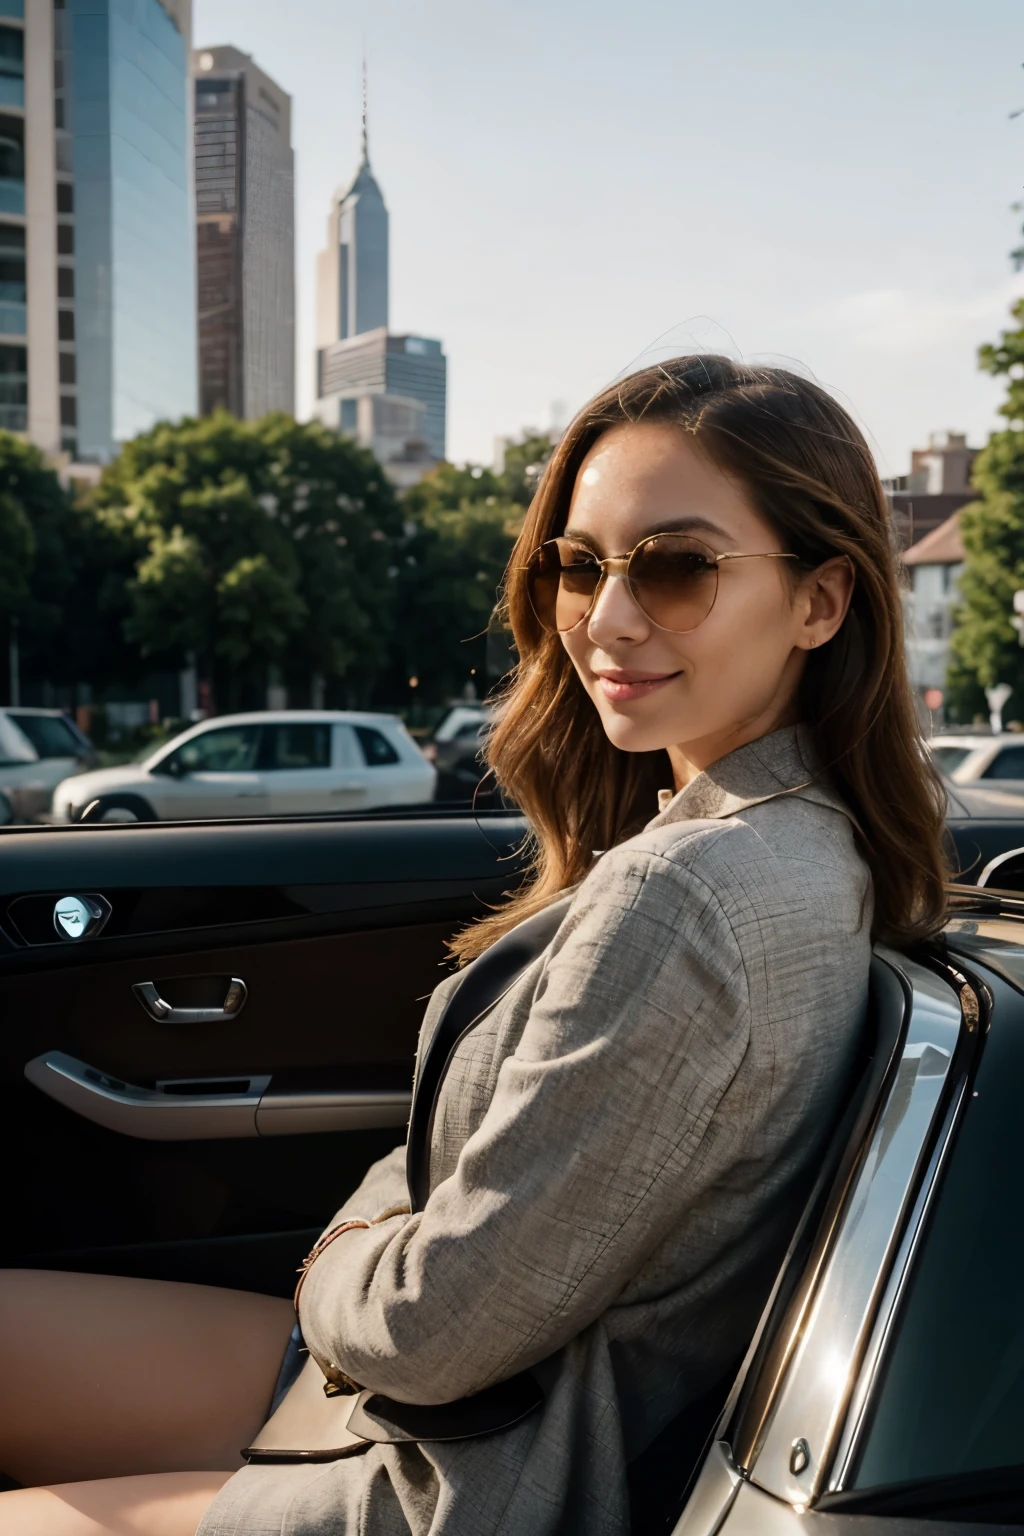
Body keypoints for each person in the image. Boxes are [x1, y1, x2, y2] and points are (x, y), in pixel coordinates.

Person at [0, 356, 948, 1535]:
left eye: (676, 567)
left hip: (461, 1479)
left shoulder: (689, 892)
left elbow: (434, 1329)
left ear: (821, 601)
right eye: (578, 563)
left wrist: (331, 1259)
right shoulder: (792, 843)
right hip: (439, 1405)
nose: (605, 617)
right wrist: (368, 1252)